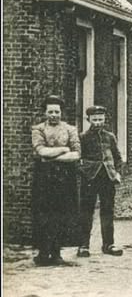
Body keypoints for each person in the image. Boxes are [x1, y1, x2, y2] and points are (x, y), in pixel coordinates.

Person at [31, 95, 81, 266]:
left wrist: (53, 155)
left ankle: (57, 252)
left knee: (62, 214)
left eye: (57, 112)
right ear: (45, 113)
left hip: (65, 178)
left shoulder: (70, 129)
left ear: (61, 112)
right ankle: (44, 252)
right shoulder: (38, 129)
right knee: (44, 214)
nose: (54, 115)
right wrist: (63, 149)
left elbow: (76, 154)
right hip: (44, 178)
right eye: (50, 111)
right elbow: (41, 152)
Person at [77, 105, 124, 258]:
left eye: (100, 119)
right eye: (94, 119)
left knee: (108, 211)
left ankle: (108, 244)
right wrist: (85, 171)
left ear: (105, 119)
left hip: (107, 178)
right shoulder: (83, 137)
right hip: (90, 178)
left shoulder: (110, 136)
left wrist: (117, 172)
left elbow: (117, 158)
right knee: (86, 211)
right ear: (88, 119)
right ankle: (83, 245)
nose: (98, 122)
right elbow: (77, 159)